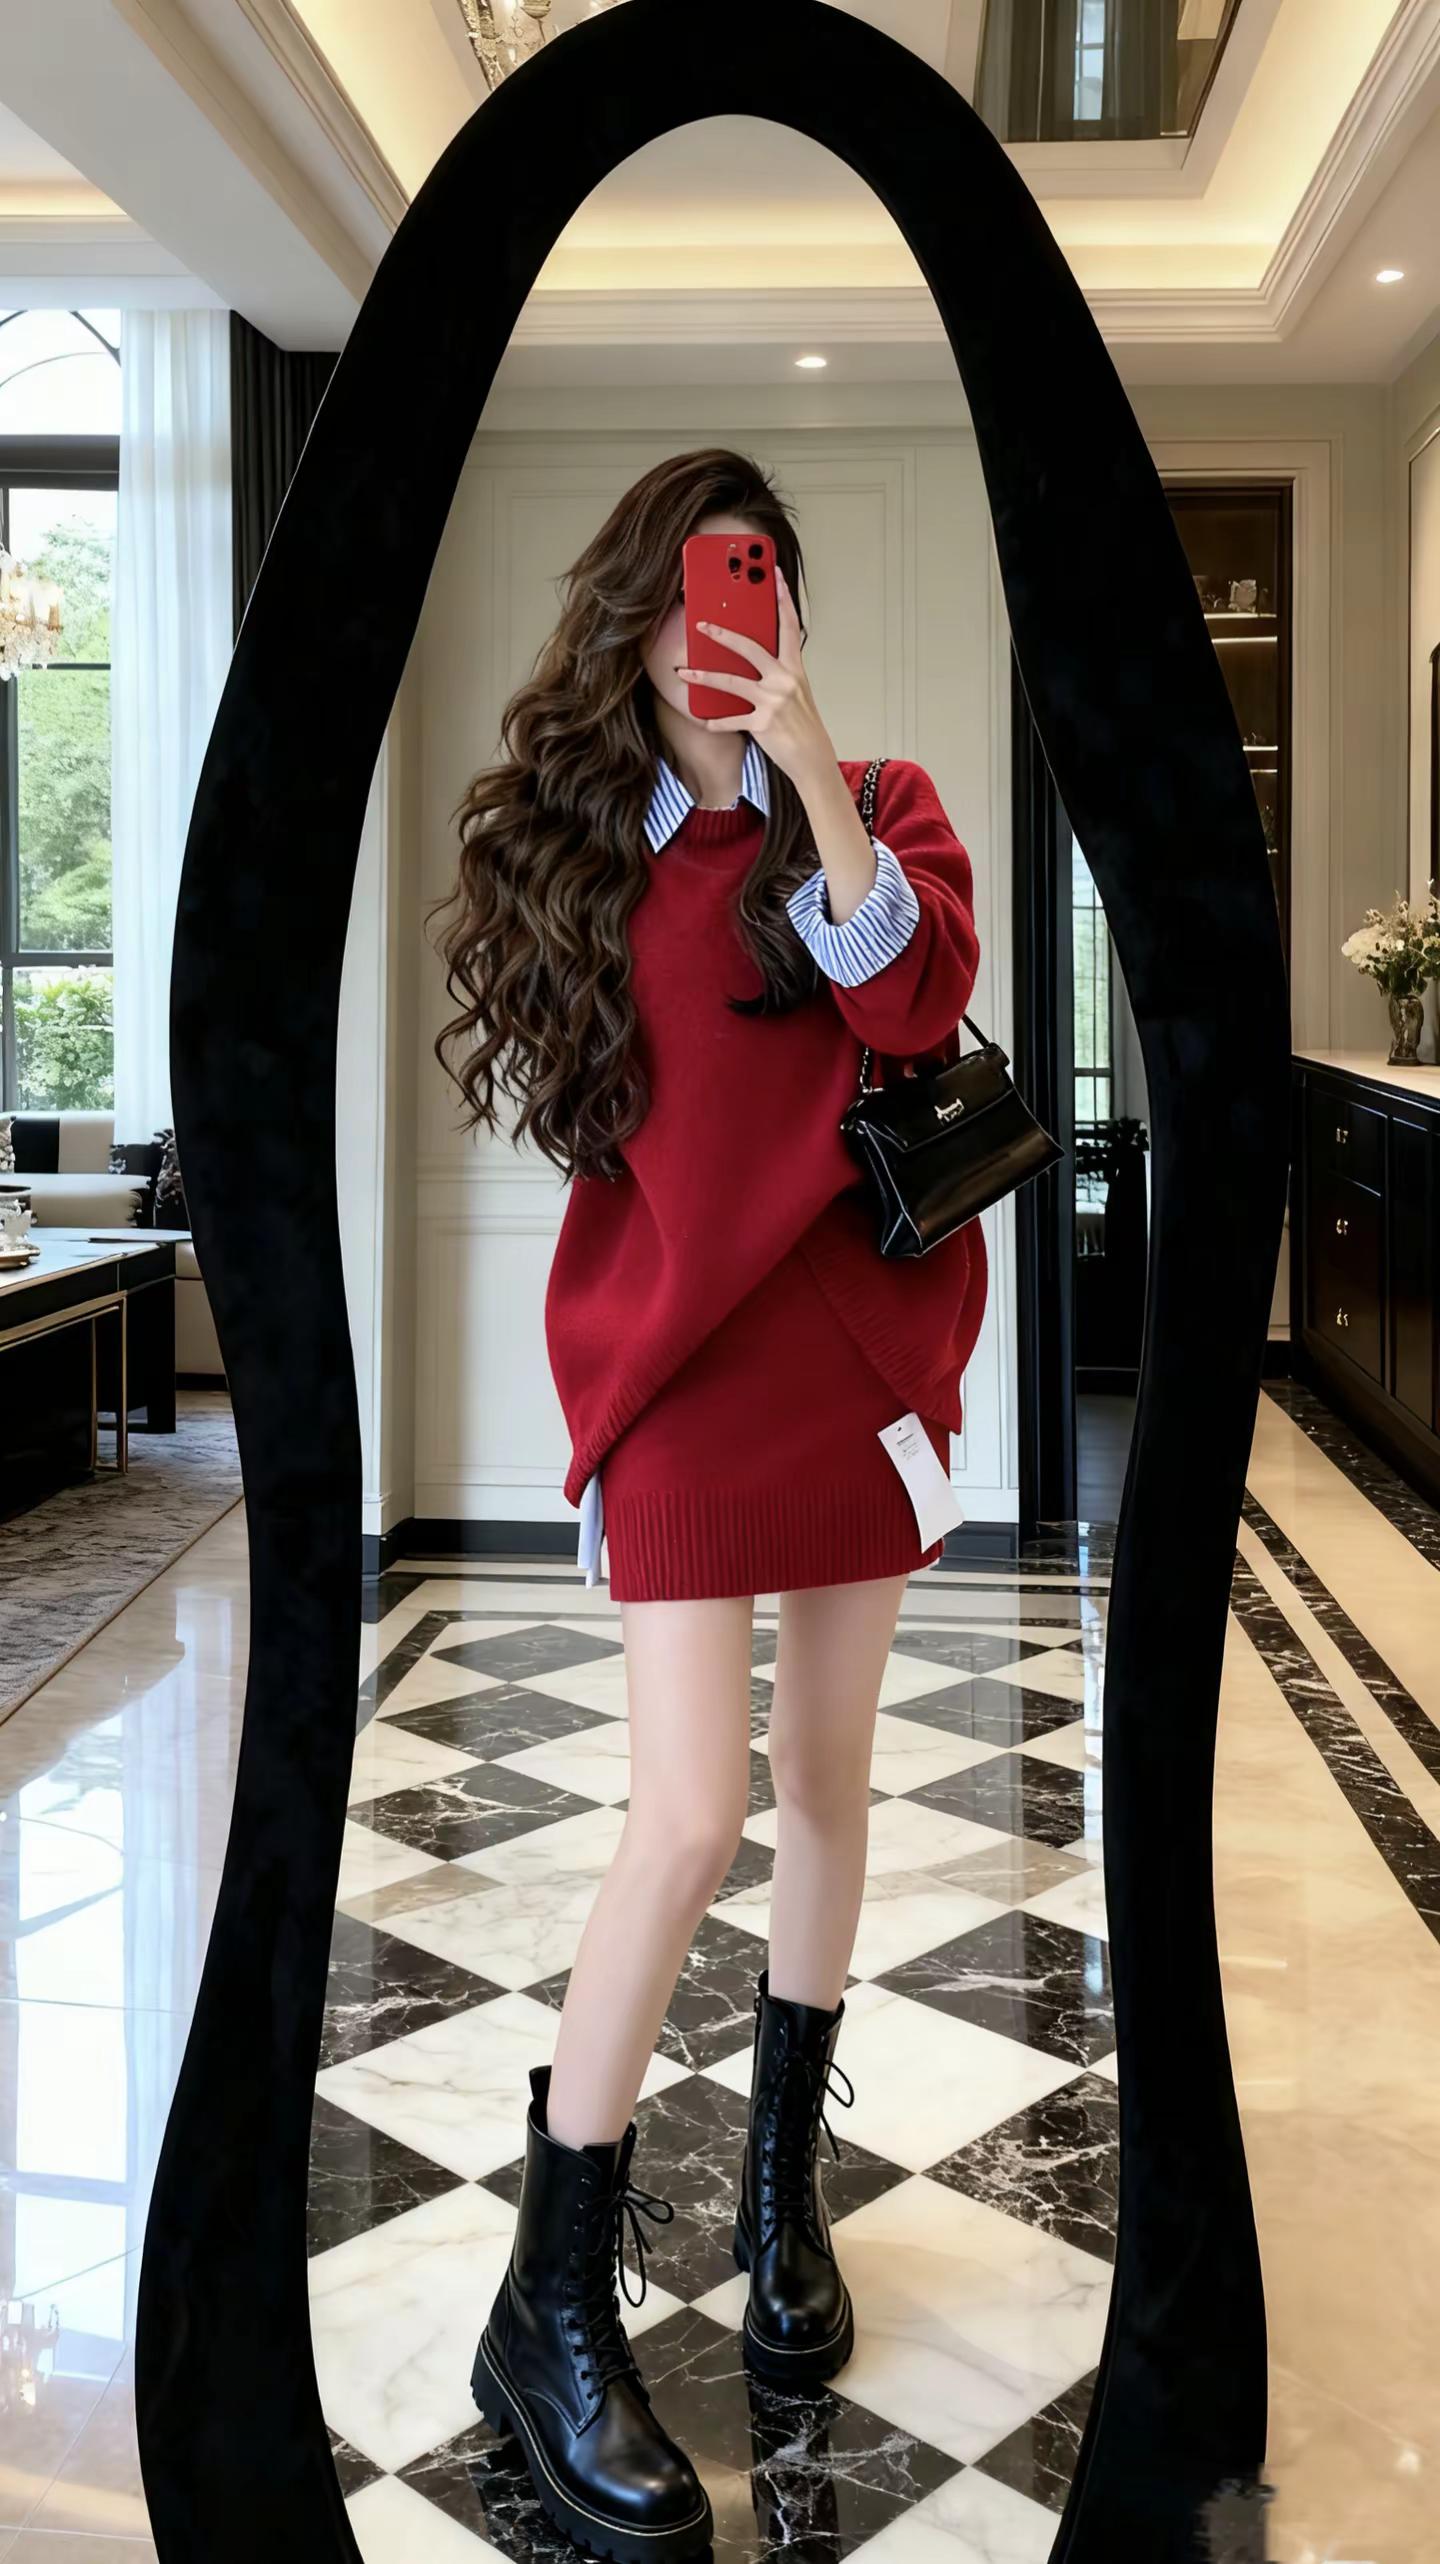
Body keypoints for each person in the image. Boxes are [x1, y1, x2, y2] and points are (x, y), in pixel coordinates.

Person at [428, 447, 987, 2563]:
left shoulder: (881, 803)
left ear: (788, 611)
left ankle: (778, 2200)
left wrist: (811, 761)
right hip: (673, 1384)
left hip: (854, 1372)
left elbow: (912, 999)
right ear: (627, 620)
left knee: (827, 1787)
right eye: (676, 591)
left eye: (745, 587)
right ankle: (547, 2300)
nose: (709, 626)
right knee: (685, 1818)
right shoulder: (580, 853)